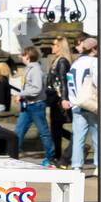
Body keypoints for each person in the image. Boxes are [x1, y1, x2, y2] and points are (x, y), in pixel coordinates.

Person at [15, 44, 55, 166]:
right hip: (28, 105)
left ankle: (50, 158)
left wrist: (21, 94)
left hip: (36, 105)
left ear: (27, 56)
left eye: (23, 55)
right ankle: (12, 155)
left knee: (43, 132)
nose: (21, 57)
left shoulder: (36, 70)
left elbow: (37, 89)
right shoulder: (29, 68)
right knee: (18, 131)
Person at [66, 36, 99, 173]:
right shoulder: (94, 62)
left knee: (78, 138)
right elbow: (98, 82)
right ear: (94, 49)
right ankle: (98, 166)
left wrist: (73, 101)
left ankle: (76, 166)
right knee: (97, 136)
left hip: (77, 104)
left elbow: (69, 83)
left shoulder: (75, 63)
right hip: (91, 103)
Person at [45, 36, 73, 166]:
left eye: (55, 44)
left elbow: (63, 82)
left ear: (60, 47)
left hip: (59, 100)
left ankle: (57, 156)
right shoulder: (56, 61)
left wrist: (64, 99)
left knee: (56, 128)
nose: (52, 47)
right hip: (54, 99)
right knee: (56, 129)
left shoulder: (62, 62)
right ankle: (58, 154)